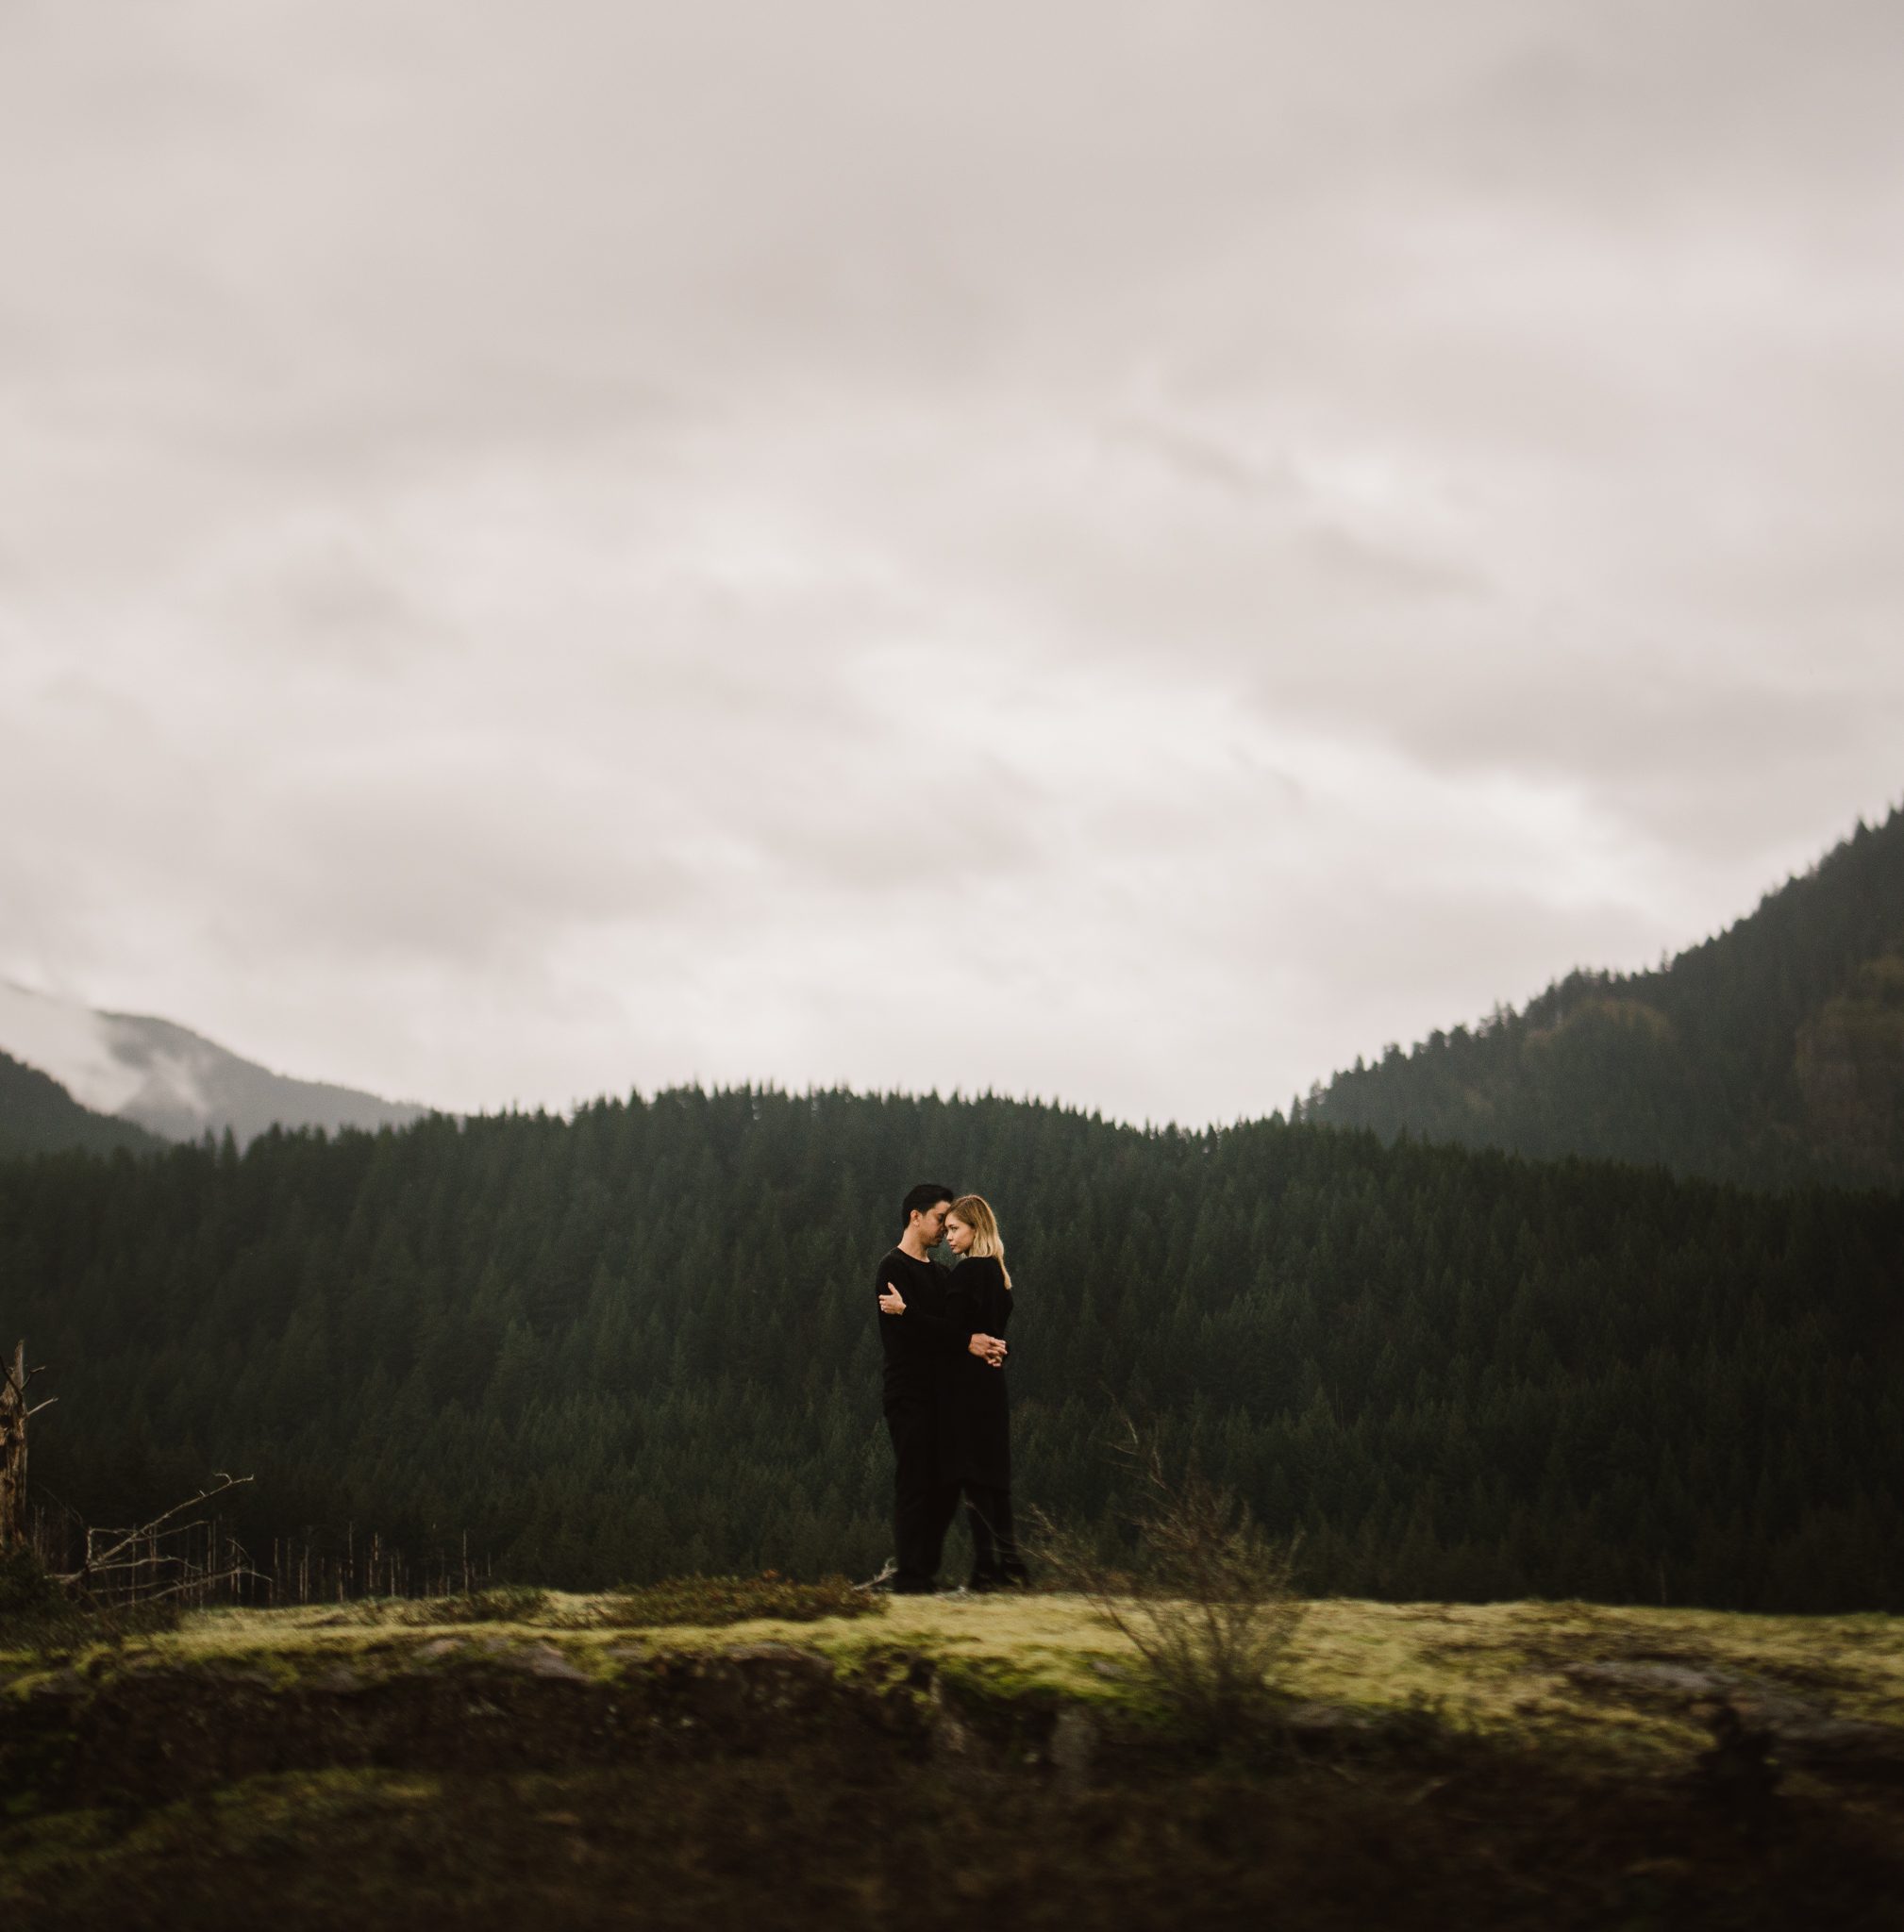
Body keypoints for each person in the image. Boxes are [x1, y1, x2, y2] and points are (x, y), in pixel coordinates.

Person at [879, 1191, 1024, 1591]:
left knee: (955, 1479)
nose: (946, 1229)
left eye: (953, 1223)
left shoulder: (950, 1274)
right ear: (916, 1217)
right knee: (944, 1479)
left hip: (952, 1394)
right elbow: (927, 1336)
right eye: (942, 1219)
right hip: (915, 1391)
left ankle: (925, 1571)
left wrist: (977, 1343)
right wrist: (976, 1343)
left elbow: (961, 1329)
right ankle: (921, 1573)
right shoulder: (893, 1268)